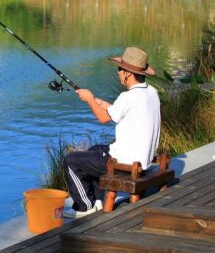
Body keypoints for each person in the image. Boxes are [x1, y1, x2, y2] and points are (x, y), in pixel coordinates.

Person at [62, 46, 161, 219]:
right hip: (142, 160)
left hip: (126, 163)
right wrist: (100, 103)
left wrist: (90, 99)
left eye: (119, 69)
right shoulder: (151, 92)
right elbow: (121, 112)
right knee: (94, 149)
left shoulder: (128, 97)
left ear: (127, 74)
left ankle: (84, 207)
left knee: (71, 161)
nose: (118, 73)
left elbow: (103, 119)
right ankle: (98, 199)